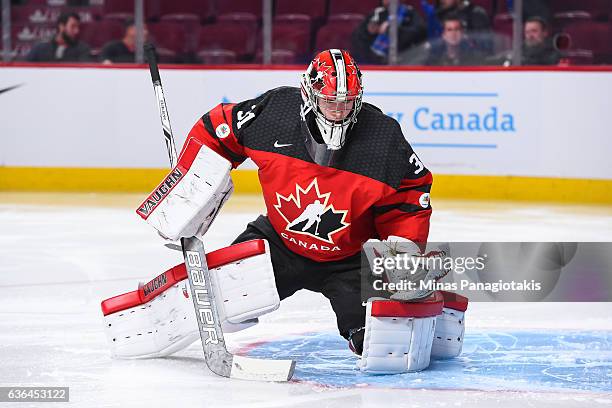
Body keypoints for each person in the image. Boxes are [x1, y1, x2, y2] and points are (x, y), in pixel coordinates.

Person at [135, 49, 466, 373]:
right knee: (220, 302)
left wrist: (402, 252)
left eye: (346, 102)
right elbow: (219, 130)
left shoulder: (382, 137)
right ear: (309, 93)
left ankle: (410, 316)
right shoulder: (275, 112)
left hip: (352, 259)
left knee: (380, 343)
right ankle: (149, 324)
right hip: (278, 242)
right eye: (329, 101)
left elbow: (410, 194)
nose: (338, 110)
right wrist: (192, 186)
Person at [351, 0, 426, 64]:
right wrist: (368, 32)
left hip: (404, 61)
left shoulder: (409, 14)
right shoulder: (376, 14)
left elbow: (419, 33)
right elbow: (357, 39)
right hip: (374, 63)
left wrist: (392, 30)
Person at [26, 12, 91, 62]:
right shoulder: (41, 47)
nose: (76, 31)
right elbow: (25, 69)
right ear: (61, 26)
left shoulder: (82, 49)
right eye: (73, 26)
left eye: (78, 27)